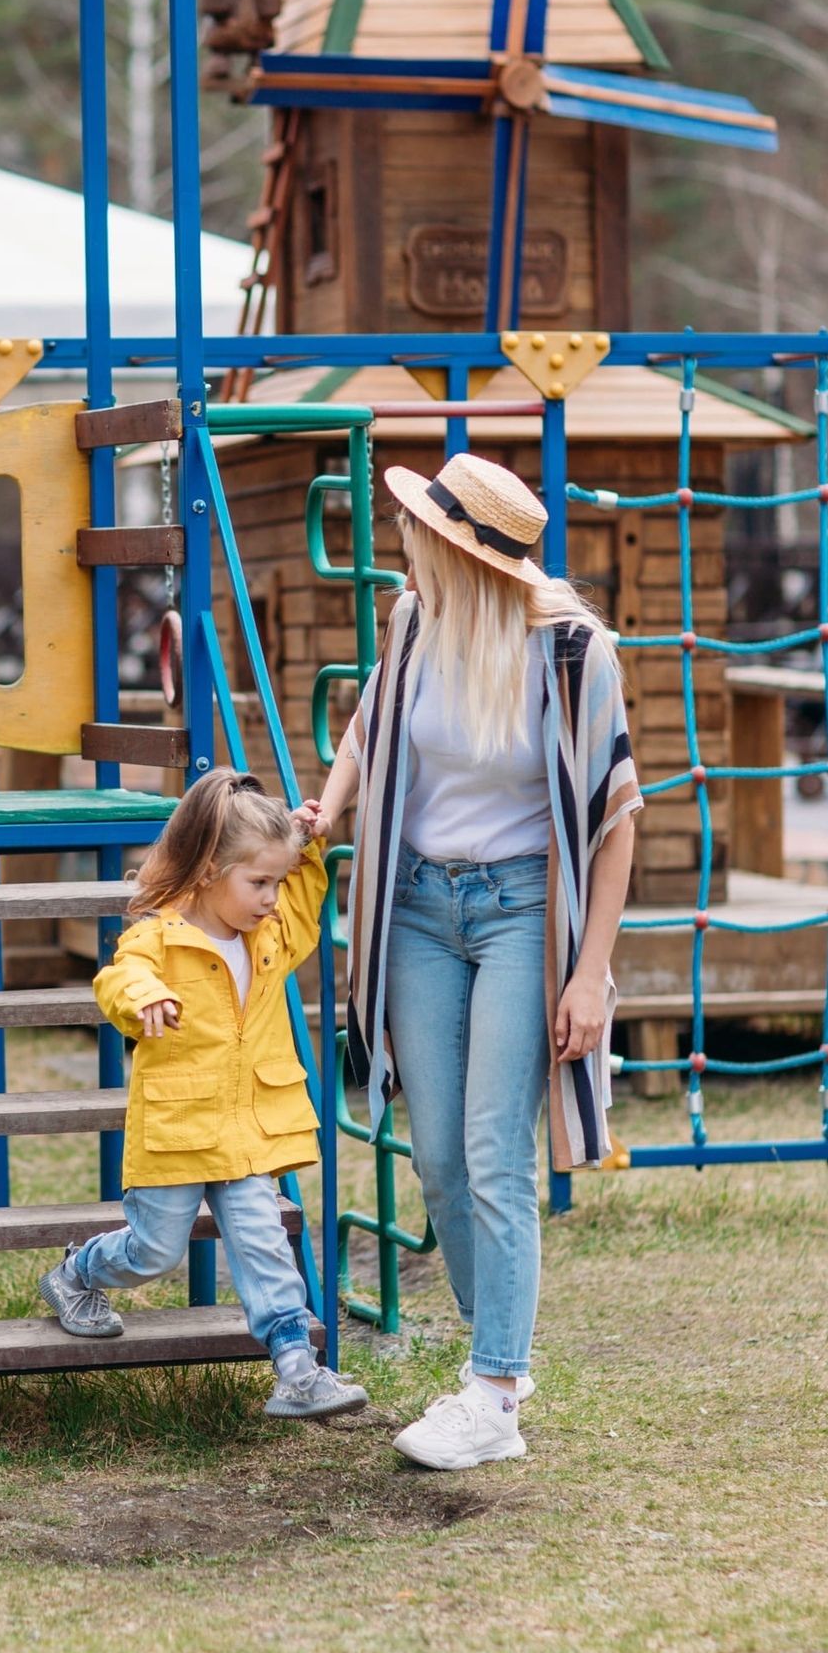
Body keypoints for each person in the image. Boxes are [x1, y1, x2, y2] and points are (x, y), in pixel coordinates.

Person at [314, 452, 641, 1471]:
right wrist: (323, 813)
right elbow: (368, 729)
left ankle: (495, 1389)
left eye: (418, 536)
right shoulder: (415, 621)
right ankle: (490, 1353)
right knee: (440, 1158)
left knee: (495, 1148)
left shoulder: (572, 651)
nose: (404, 549)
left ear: (463, 554)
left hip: (521, 914)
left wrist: (588, 973)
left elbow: (615, 816)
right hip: (414, 906)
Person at [38, 769, 367, 1421]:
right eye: (258, 883)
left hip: (245, 1131)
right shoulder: (157, 938)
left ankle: (297, 1369)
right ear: (211, 872)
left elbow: (303, 899)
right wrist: (145, 997)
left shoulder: (270, 936)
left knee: (263, 1241)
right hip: (180, 1129)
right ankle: (77, 1273)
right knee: (153, 1251)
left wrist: (303, 846)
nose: (271, 898)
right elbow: (118, 979)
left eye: (276, 882)